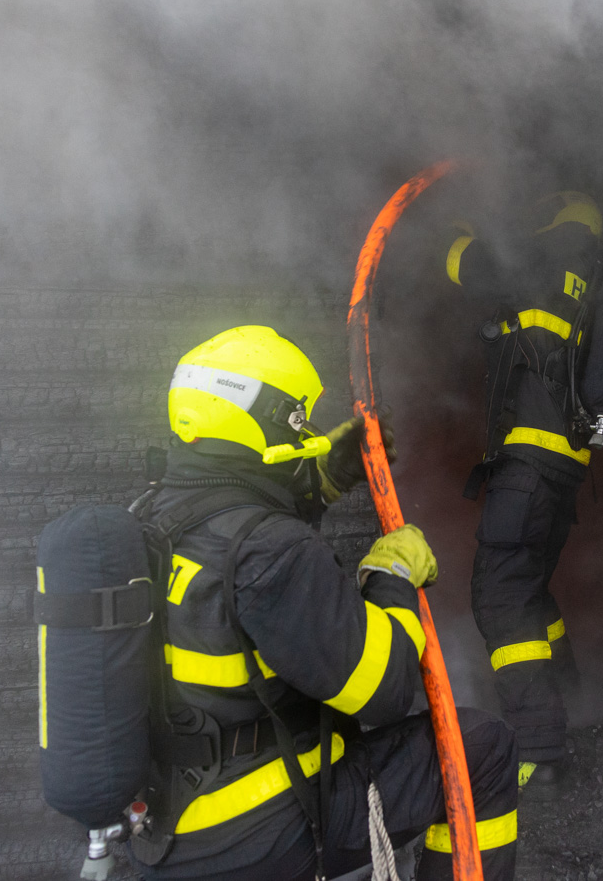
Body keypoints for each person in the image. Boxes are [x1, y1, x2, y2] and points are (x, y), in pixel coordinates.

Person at [130, 325, 518, 881]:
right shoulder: (272, 551)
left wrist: (329, 476)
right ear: (262, 420)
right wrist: (392, 574)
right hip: (259, 828)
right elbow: (385, 690)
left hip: (172, 821)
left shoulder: (154, 519)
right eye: (297, 418)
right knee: (483, 748)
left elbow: (241, 527)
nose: (307, 431)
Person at [443, 192, 603, 791]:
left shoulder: (541, 257)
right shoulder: (593, 277)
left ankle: (538, 748)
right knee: (529, 589)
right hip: (564, 468)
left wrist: (451, 230)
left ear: (557, 222)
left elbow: (466, 265)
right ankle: (571, 698)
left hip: (527, 465)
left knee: (502, 597)